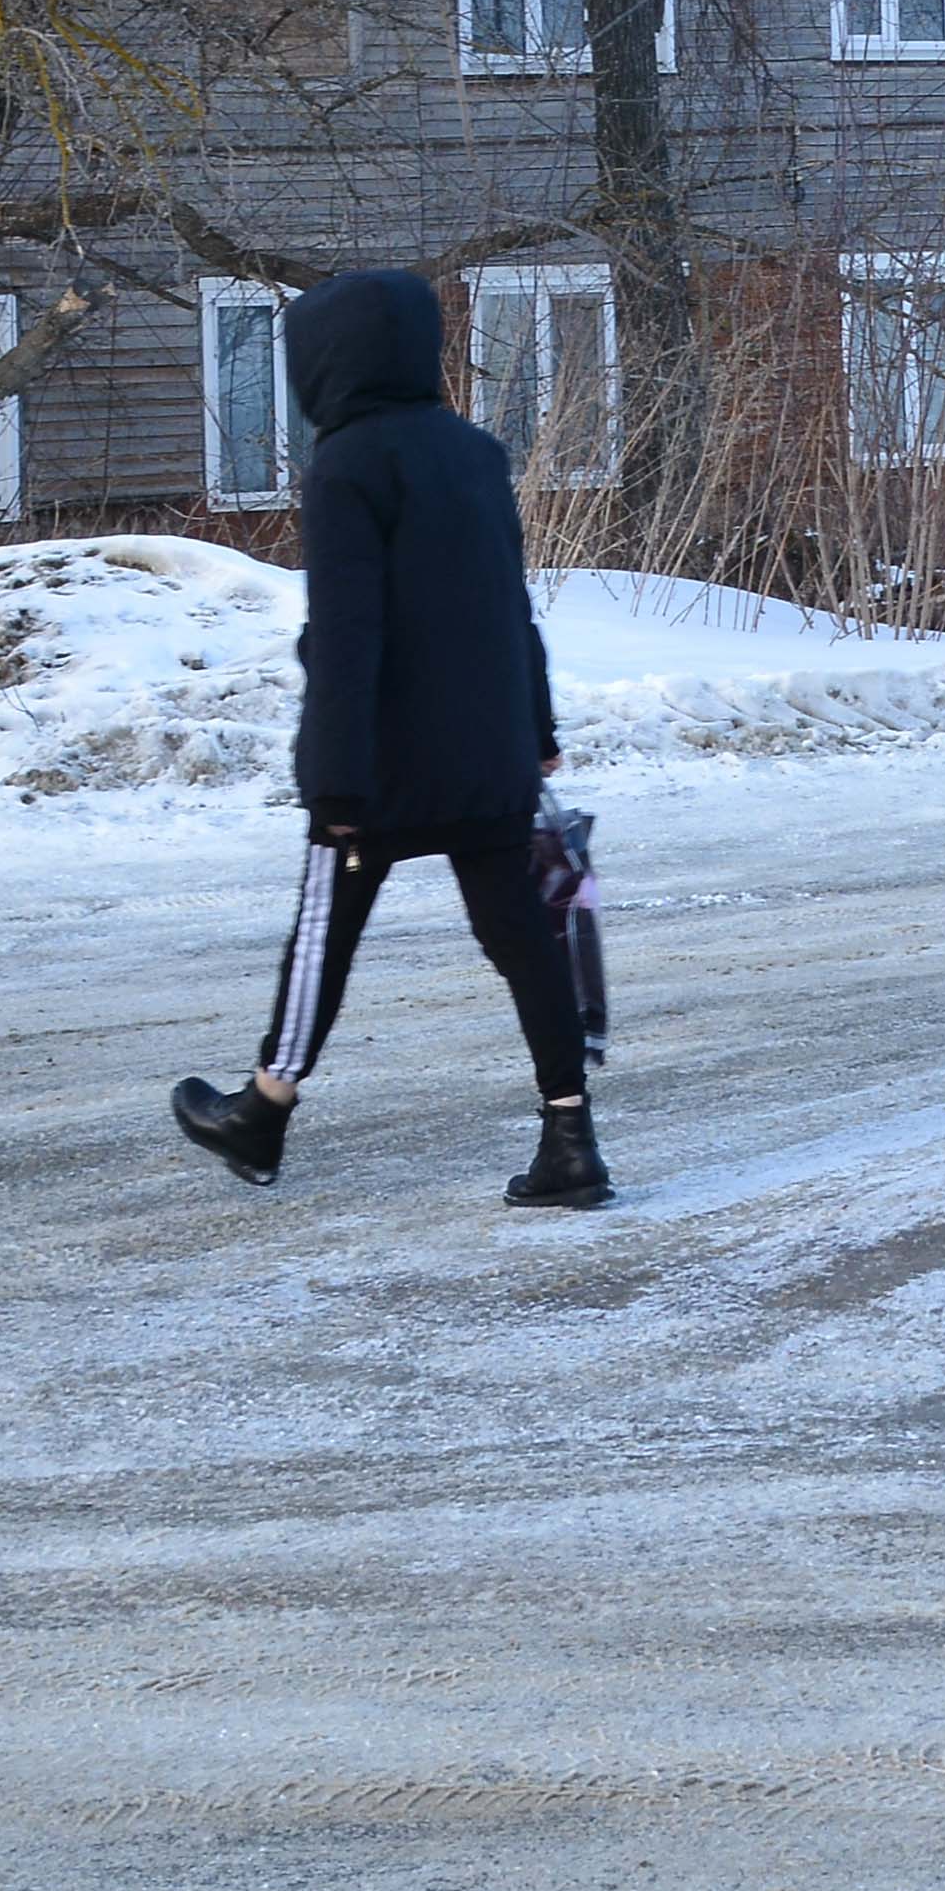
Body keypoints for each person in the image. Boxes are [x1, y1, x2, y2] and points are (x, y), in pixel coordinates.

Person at [169, 268, 605, 1206]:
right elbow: (511, 610)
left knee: (323, 936)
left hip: (386, 768)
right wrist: (537, 730)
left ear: (325, 362)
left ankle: (264, 1109)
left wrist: (332, 780)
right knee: (523, 940)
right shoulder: (478, 456)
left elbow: (347, 632)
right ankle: (571, 1139)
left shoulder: (347, 464)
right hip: (489, 757)